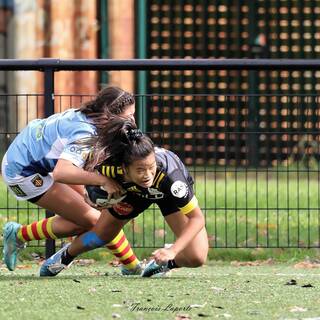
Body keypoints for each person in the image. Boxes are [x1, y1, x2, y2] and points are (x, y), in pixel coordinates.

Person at [40, 117, 208, 277]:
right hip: (132, 193)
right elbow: (81, 177)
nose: (148, 175)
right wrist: (94, 197)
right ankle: (65, 256)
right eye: (140, 170)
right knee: (100, 236)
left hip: (166, 195)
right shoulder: (110, 168)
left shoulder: (172, 179)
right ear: (124, 168)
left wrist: (172, 251)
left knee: (196, 257)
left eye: (151, 167)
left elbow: (197, 219)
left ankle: (162, 263)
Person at [1, 86, 142, 275]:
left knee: (95, 216)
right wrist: (101, 180)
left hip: (39, 161)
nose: (132, 120)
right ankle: (18, 236)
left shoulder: (91, 116)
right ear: (109, 115)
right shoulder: (86, 133)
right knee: (95, 221)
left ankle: (132, 266)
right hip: (23, 172)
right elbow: (62, 172)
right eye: (129, 116)